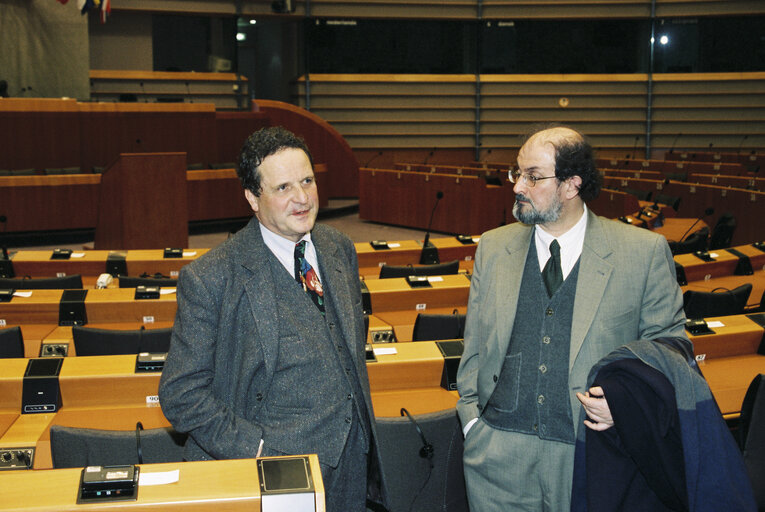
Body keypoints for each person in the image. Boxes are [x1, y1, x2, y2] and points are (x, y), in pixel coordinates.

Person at [455, 125, 688, 511]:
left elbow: (670, 349)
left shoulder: (642, 253)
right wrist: (471, 421)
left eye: (533, 176)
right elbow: (475, 344)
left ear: (571, 185)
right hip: (497, 456)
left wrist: (626, 405)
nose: (517, 186)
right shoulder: (493, 248)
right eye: (517, 173)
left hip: (588, 453)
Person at [159, 126, 388, 512]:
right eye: (283, 188)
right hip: (273, 471)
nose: (302, 198)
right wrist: (258, 449)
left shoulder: (339, 247)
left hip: (353, 456)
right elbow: (181, 395)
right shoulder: (212, 276)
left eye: (307, 181)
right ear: (252, 197)